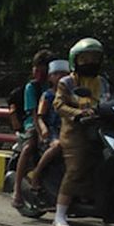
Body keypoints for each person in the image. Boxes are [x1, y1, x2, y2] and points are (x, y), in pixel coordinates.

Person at [51, 38, 110, 226]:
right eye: (85, 59)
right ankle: (60, 214)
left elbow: (109, 101)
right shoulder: (66, 82)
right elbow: (58, 105)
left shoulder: (102, 82)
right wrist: (77, 114)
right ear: (75, 60)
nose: (90, 62)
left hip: (99, 128)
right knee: (75, 168)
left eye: (95, 58)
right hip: (75, 131)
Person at [11, 49, 52, 208]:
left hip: (52, 122)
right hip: (33, 123)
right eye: (36, 67)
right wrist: (41, 131)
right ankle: (17, 190)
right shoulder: (32, 87)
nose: (37, 71)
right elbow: (34, 114)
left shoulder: (56, 84)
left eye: (41, 67)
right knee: (29, 147)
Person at [27, 58, 70, 187]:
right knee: (57, 146)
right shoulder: (47, 95)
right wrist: (43, 129)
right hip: (53, 130)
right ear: (50, 77)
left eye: (64, 74)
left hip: (68, 129)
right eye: (57, 74)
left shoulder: (71, 95)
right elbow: (40, 116)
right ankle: (37, 172)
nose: (60, 77)